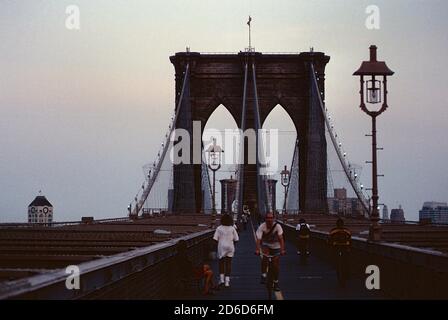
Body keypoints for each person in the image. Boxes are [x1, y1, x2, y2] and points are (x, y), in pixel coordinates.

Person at [255, 212, 286, 292]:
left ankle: (276, 282)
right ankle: (263, 274)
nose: (269, 219)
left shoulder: (278, 226)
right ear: (265, 219)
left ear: (273, 219)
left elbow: (281, 239)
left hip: (276, 246)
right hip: (266, 245)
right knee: (264, 258)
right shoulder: (262, 227)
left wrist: (282, 249)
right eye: (268, 218)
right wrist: (257, 249)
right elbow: (258, 240)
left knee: (275, 265)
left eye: (271, 218)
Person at [213, 214, 239, 287]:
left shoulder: (219, 228)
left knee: (221, 263)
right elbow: (236, 239)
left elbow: (215, 239)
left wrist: (216, 246)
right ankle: (227, 282)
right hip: (230, 246)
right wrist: (232, 244)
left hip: (221, 246)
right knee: (229, 263)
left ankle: (221, 280)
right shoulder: (232, 228)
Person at [328, 218, 352, 287]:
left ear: (337, 224)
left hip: (337, 248)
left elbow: (329, 240)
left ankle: (339, 276)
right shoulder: (347, 231)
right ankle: (347, 274)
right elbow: (350, 240)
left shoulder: (333, 231)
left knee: (337, 263)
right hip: (345, 248)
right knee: (346, 262)